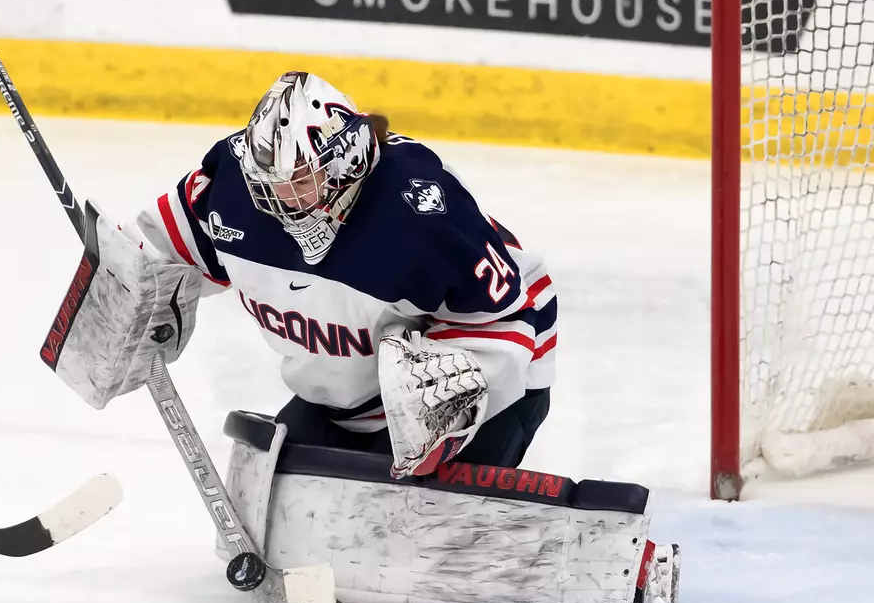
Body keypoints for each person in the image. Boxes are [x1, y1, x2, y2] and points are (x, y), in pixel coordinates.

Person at [127, 70, 555, 478]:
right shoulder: (233, 189)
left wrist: (443, 413)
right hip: (352, 401)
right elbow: (155, 251)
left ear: (344, 160)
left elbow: (503, 318)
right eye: (270, 185)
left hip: (506, 374)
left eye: (299, 180)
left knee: (408, 528)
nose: (283, 201)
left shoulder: (417, 212)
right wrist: (126, 295)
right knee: (287, 505)